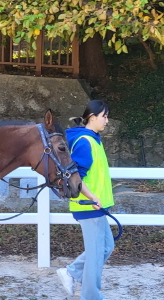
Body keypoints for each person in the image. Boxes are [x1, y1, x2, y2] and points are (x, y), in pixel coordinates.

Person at [56, 100, 115, 300]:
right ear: (92, 117)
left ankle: (72, 272)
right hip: (88, 204)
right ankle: (91, 296)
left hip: (96, 205)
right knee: (97, 252)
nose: (107, 121)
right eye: (104, 116)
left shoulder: (93, 139)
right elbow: (75, 178)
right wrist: (92, 197)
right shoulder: (84, 141)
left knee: (106, 247)